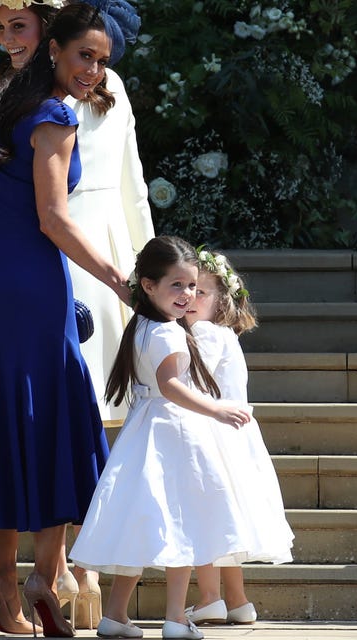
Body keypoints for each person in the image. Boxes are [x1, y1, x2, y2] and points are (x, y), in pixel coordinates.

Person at [0, 0, 153, 628]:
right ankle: (42, 579)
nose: (94, 71)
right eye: (85, 56)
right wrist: (117, 276)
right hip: (33, 280)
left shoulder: (3, 104)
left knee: (10, 416)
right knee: (58, 421)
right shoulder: (53, 114)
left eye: (102, 61)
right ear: (55, 48)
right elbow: (53, 218)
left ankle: (3, 574)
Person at [69, 235, 280, 640]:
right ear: (148, 287)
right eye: (177, 286)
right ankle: (175, 619)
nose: (187, 295)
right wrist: (216, 407)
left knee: (141, 521)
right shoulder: (168, 331)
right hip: (175, 429)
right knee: (181, 523)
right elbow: (171, 385)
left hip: (145, 429)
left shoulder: (144, 323)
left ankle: (114, 614)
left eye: (192, 287)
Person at [182, 249, 294, 626]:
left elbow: (190, 383)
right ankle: (238, 600)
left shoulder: (204, 334)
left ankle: (211, 597)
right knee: (226, 522)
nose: (191, 298)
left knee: (207, 518)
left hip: (213, 435)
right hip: (234, 437)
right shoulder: (223, 334)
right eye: (188, 288)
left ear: (221, 301)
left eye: (202, 292)